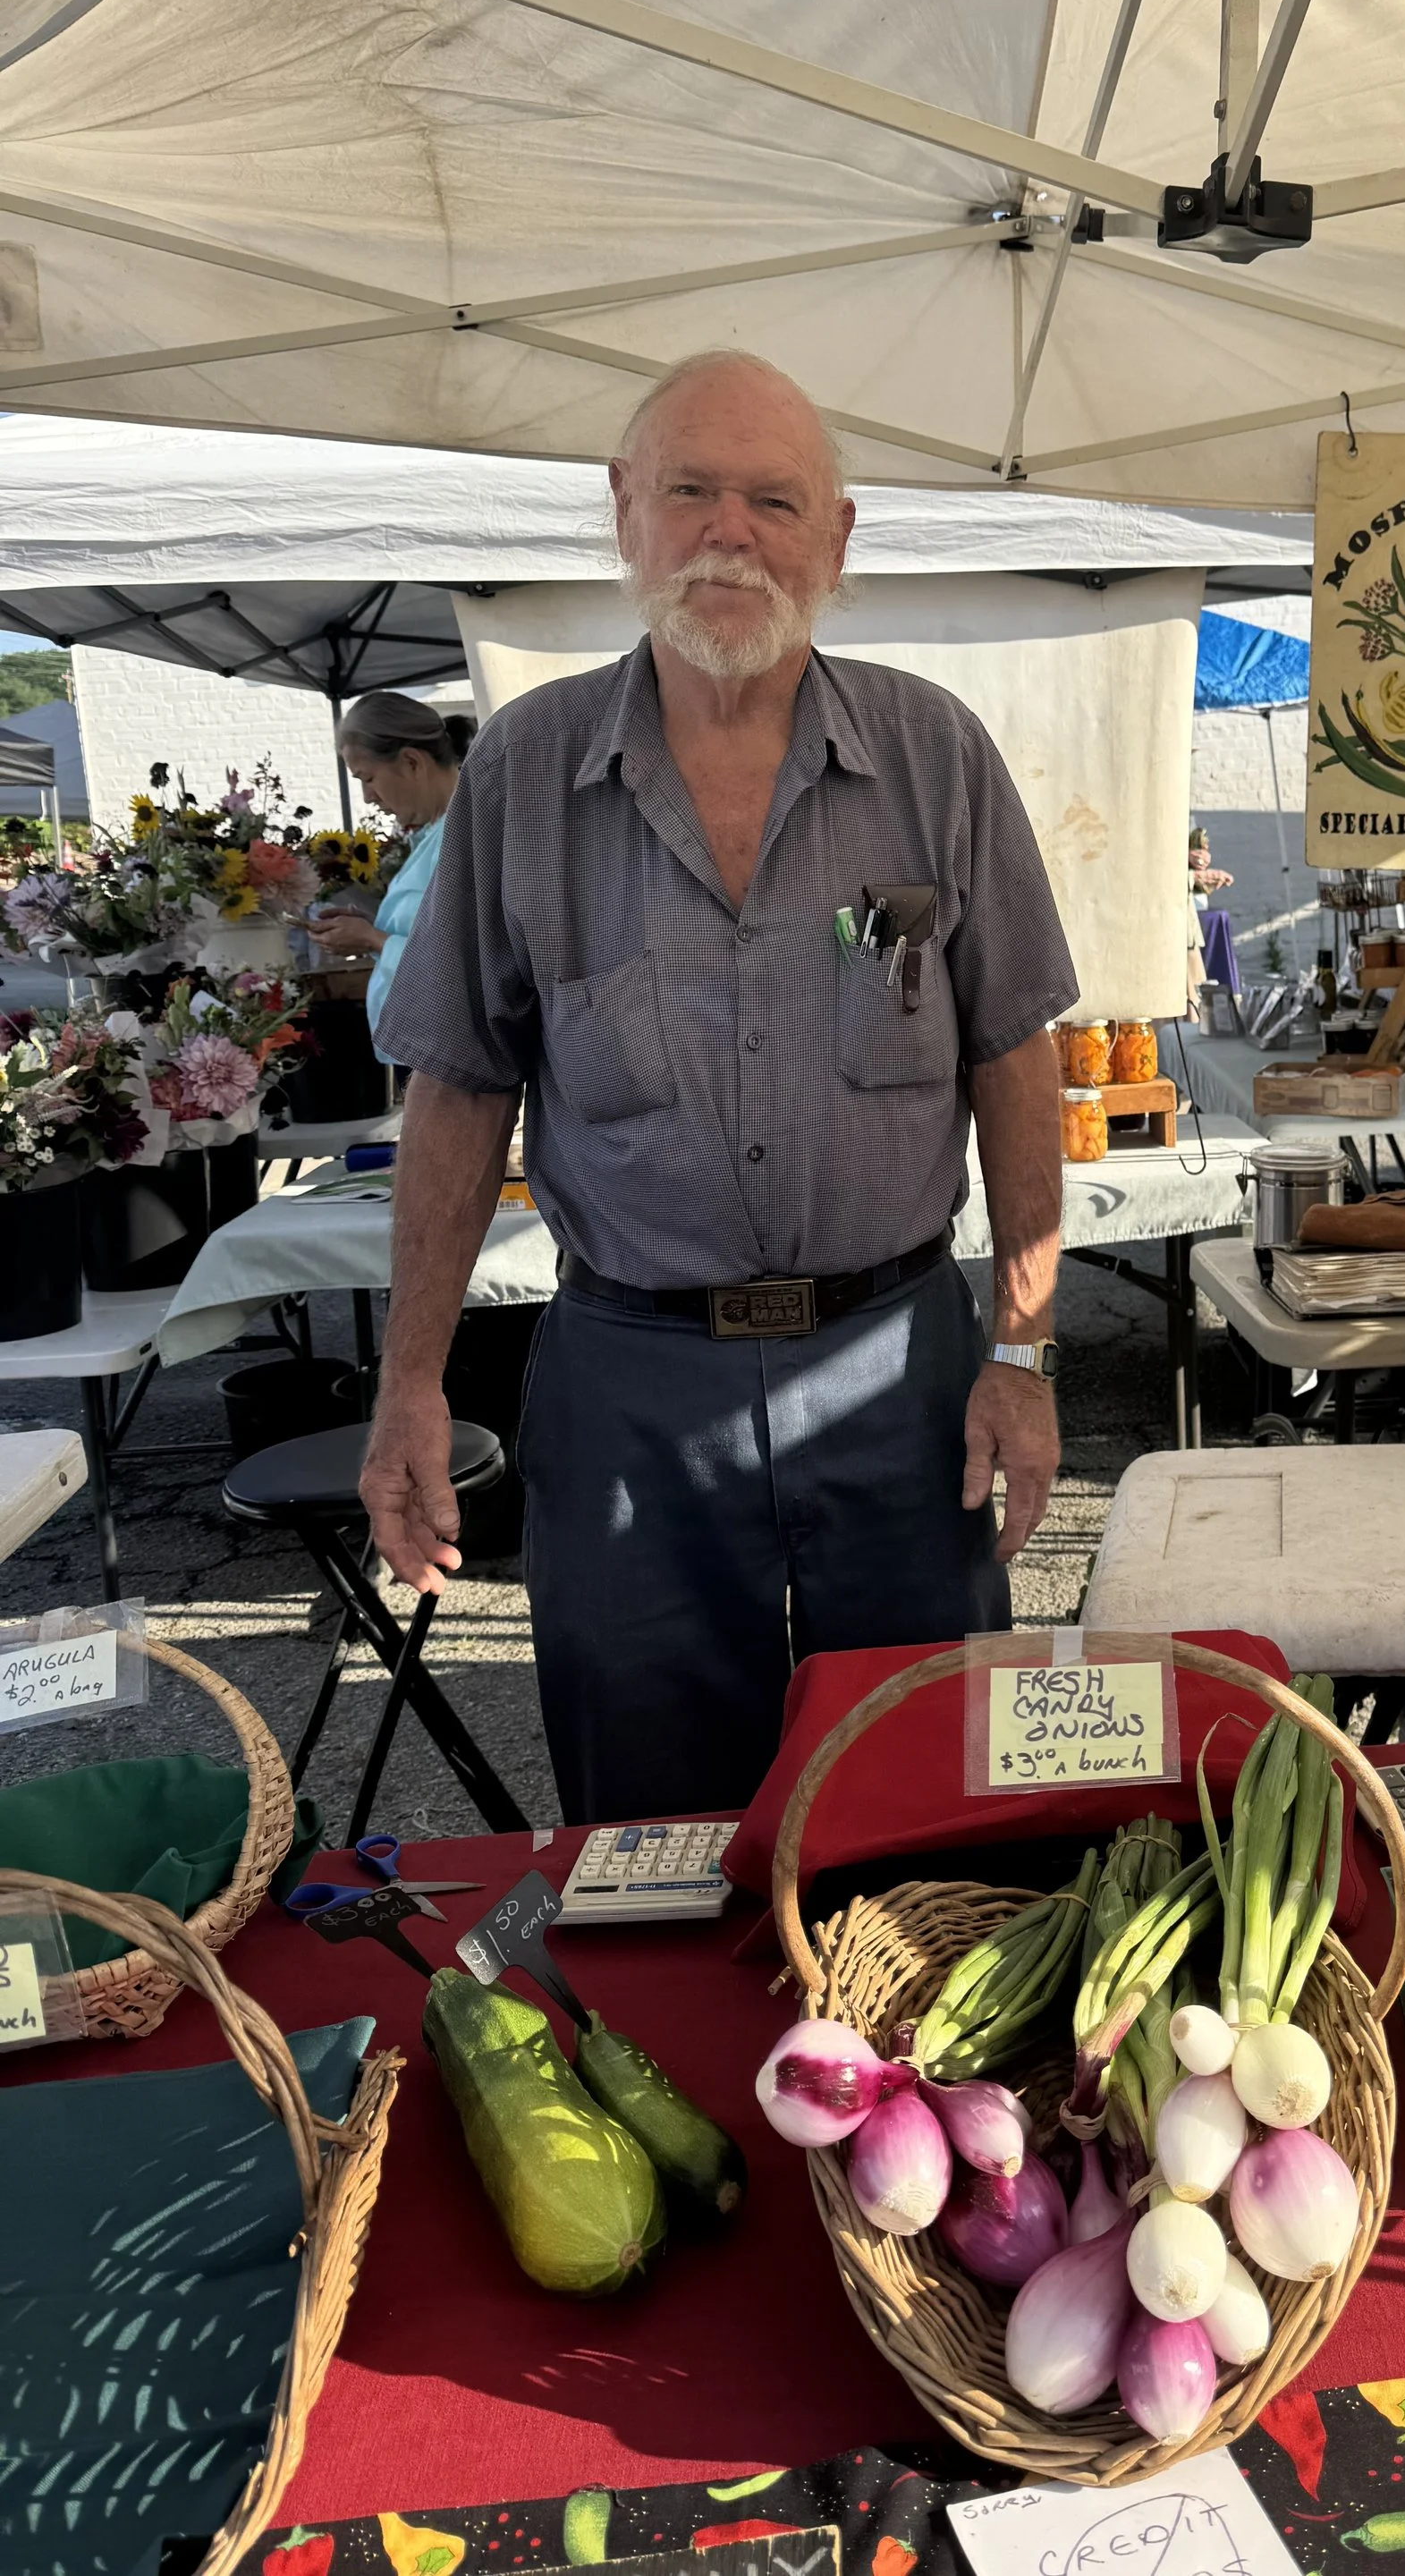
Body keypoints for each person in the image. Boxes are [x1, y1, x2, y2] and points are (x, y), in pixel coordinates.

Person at [364, 349, 1076, 1818]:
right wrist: (411, 1379)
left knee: (926, 1796)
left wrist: (1023, 1354)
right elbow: (456, 1084)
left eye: (773, 499)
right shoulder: (523, 774)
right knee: (651, 1816)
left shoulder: (933, 754)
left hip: (902, 1370)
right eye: (690, 490)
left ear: (839, 538)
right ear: (625, 512)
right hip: (631, 1378)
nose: (729, 533)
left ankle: (903, 2061)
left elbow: (1015, 1055)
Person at [303, 694, 473, 1037]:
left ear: (412, 762)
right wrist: (375, 928)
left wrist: (373, 938)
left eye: (367, 778)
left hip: (447, 1055)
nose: (368, 797)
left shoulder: (463, 838)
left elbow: (463, 965)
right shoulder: (437, 836)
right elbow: (429, 934)